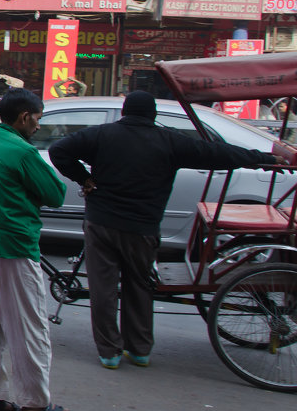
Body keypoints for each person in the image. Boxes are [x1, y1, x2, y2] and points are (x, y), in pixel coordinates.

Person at [48, 91, 277, 368]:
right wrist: (262, 158)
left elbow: (58, 151)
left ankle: (109, 352)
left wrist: (85, 178)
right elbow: (217, 154)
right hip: (142, 227)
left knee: (103, 288)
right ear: (153, 115)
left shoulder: (100, 135)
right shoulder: (168, 140)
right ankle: (140, 350)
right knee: (139, 285)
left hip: (102, 223)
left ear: (124, 112)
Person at [0, 88, 72, 411]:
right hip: (14, 246)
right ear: (25, 116)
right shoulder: (22, 150)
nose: (38, 126)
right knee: (29, 328)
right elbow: (56, 194)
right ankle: (34, 402)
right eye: (38, 119)